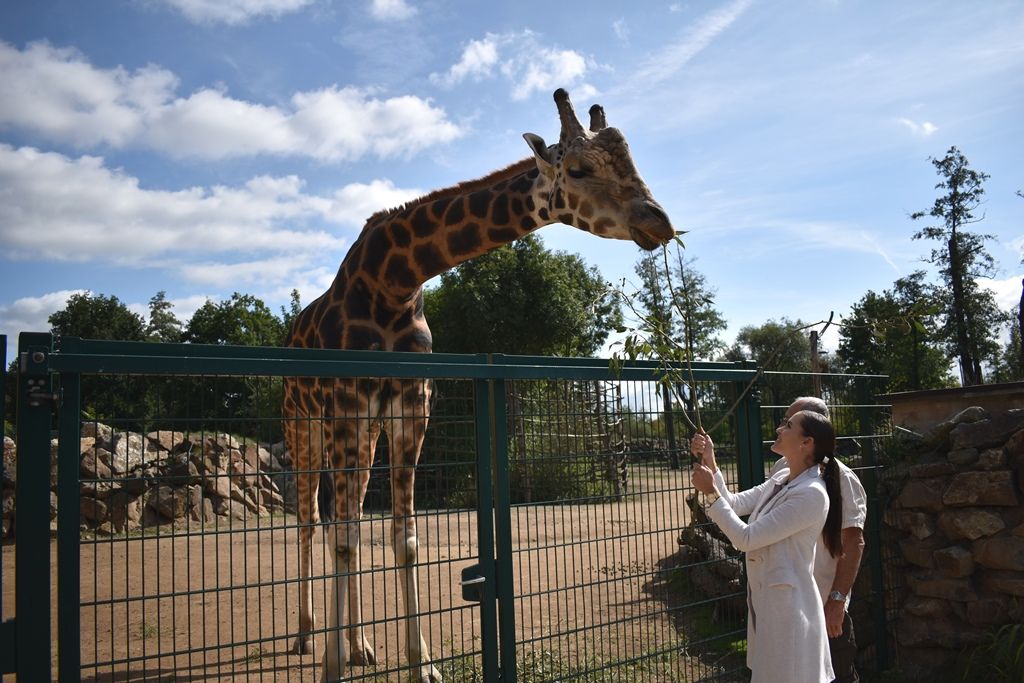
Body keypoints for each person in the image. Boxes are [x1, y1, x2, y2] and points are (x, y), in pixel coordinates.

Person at [690, 410, 843, 683]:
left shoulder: (811, 494)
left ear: (806, 443)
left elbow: (746, 538)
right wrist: (711, 460)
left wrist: (710, 493)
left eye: (787, 425)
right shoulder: (782, 478)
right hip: (770, 611)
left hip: (790, 617)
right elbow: (735, 503)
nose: (778, 428)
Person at [769, 397, 867, 683]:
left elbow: (853, 542)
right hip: (787, 604)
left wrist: (836, 602)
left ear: (809, 436)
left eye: (788, 422)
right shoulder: (780, 470)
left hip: (823, 608)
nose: (779, 428)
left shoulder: (844, 479)